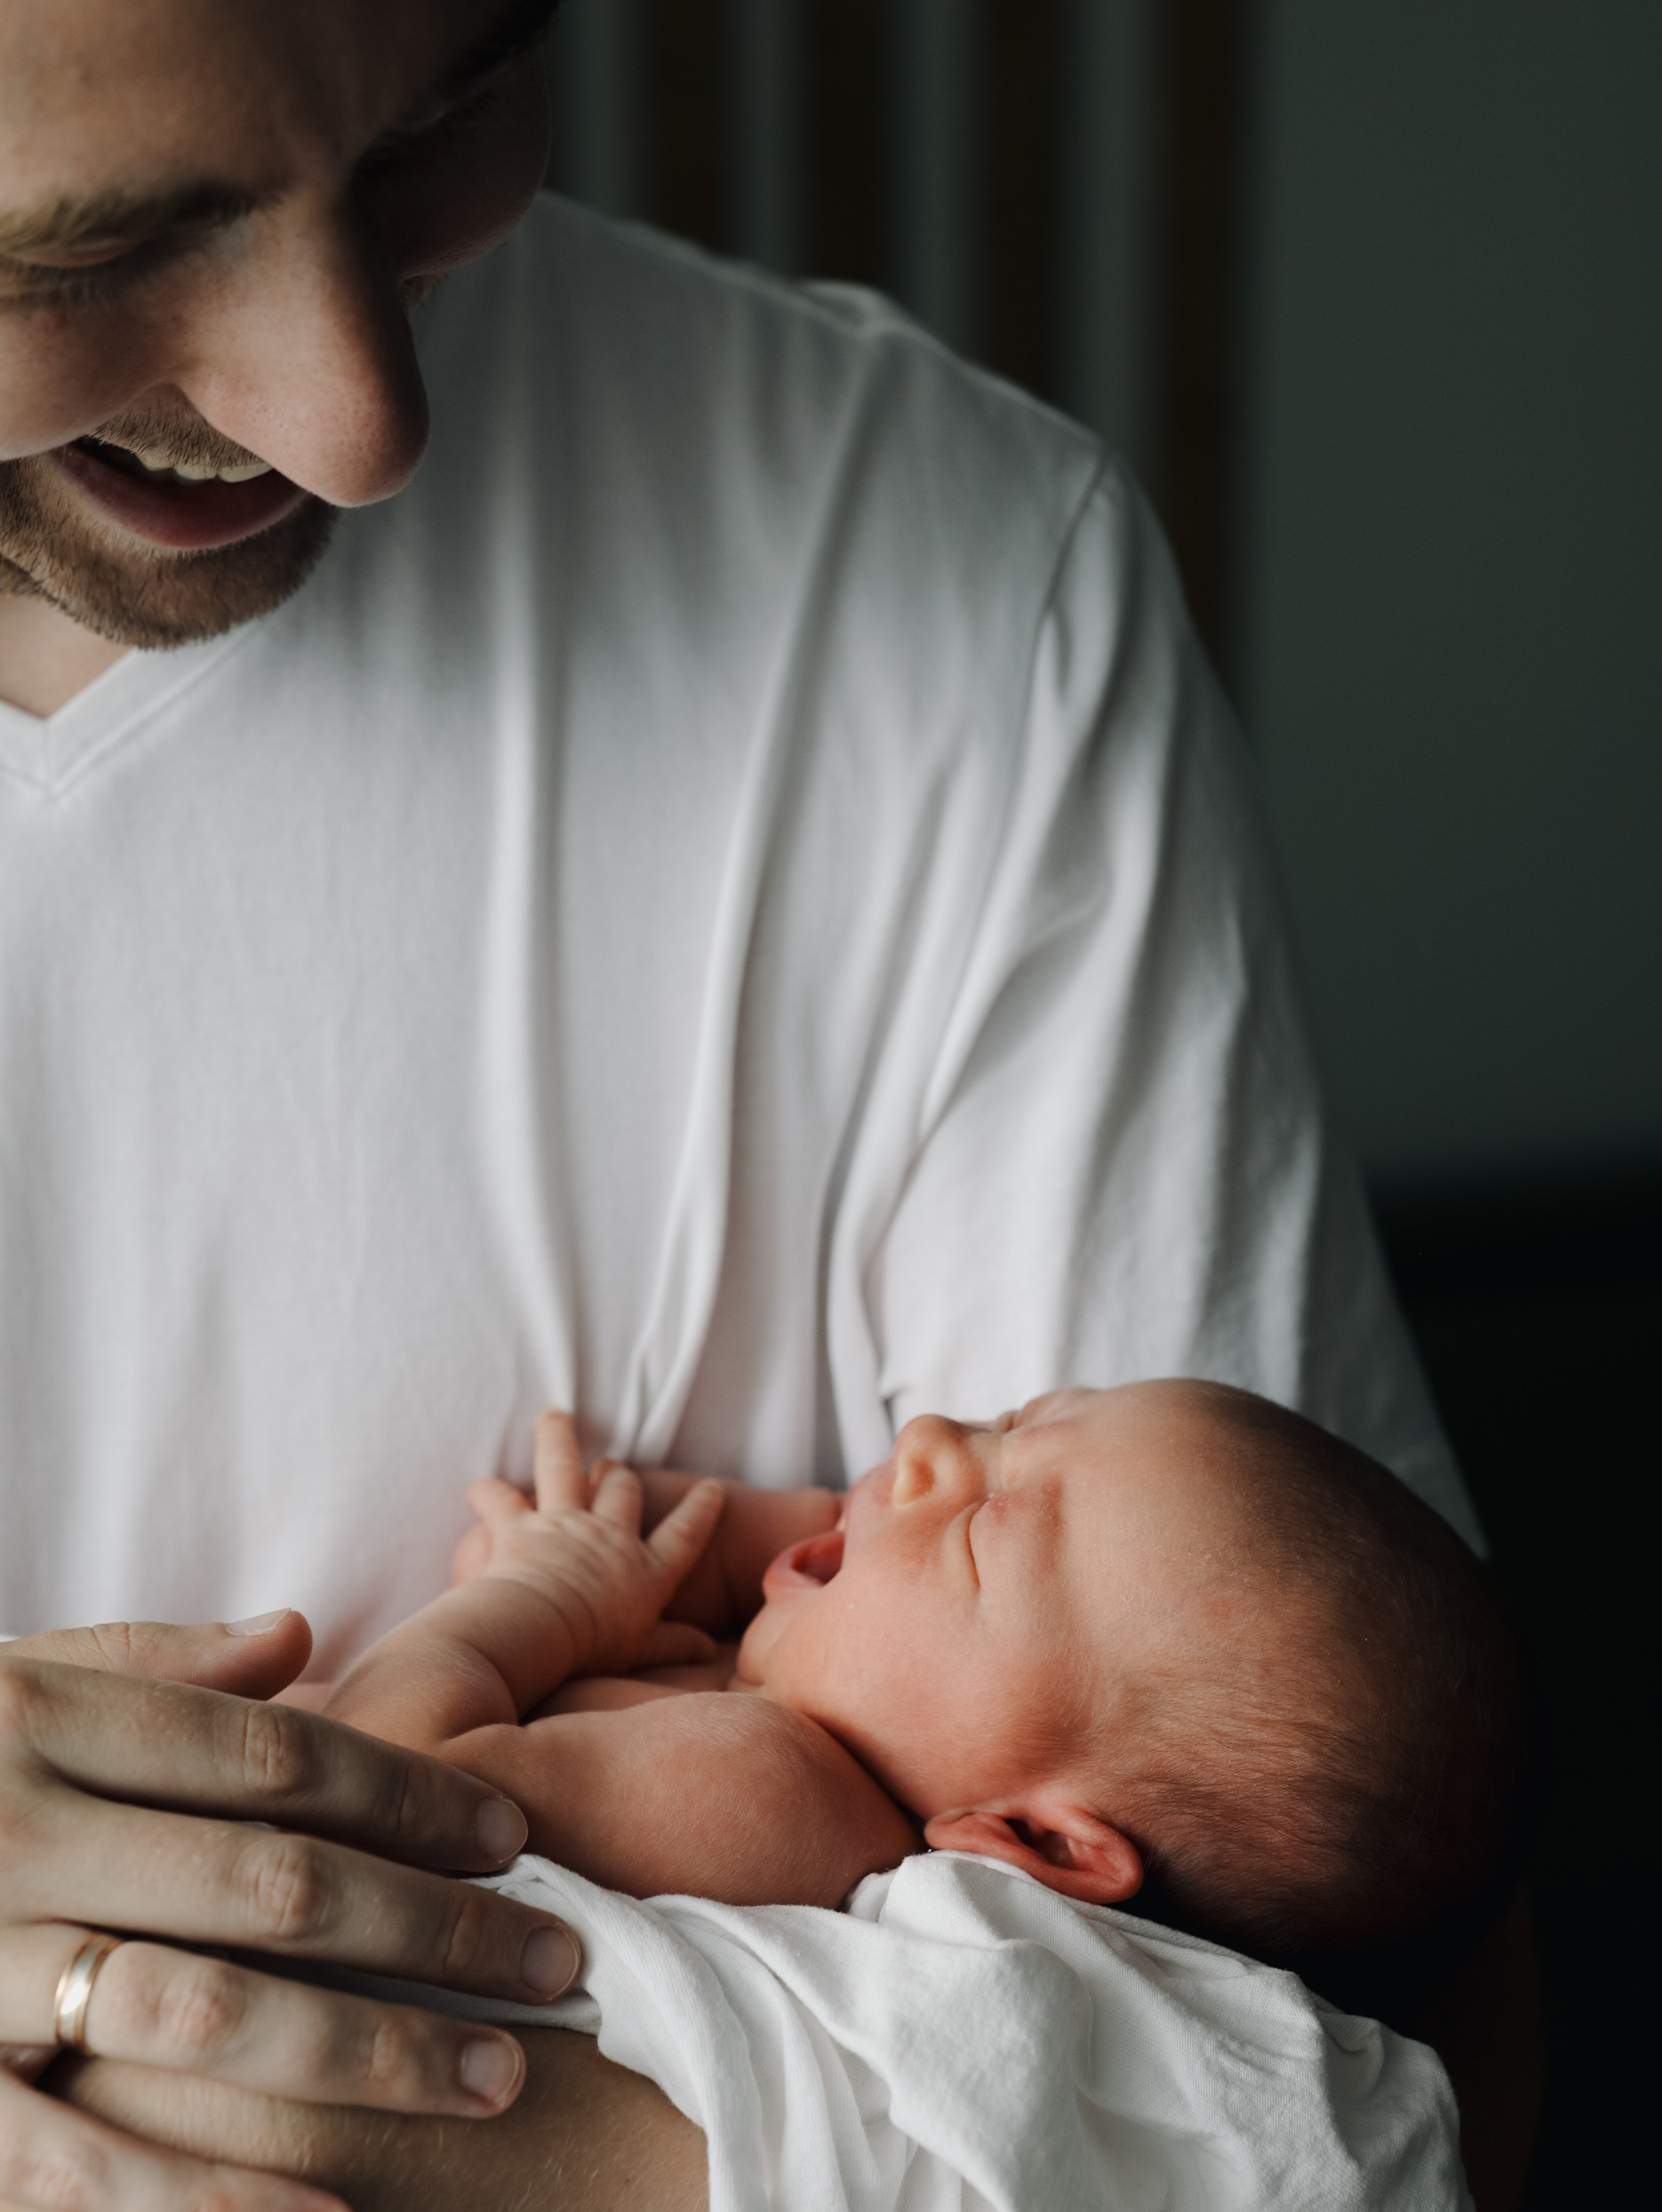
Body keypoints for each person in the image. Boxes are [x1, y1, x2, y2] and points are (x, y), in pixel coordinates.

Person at [0, 2, 1541, 2207]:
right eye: (85, 251)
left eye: (452, 117)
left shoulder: (942, 575)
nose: (362, 421)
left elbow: (1359, 2096)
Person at [323, 1392, 1528, 1996]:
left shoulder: (767, 1789)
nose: (933, 1437)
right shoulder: (821, 1705)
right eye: (1012, 1421)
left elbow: (372, 1796)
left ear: (1032, 1836)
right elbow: (693, 1546)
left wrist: (545, 1598)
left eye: (985, 1529)